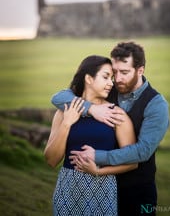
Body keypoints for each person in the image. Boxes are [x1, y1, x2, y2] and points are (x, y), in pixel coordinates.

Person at [51, 41, 170, 216]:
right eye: (114, 72)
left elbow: (142, 151)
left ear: (140, 70)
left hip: (137, 191)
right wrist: (91, 108)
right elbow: (59, 97)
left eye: (124, 72)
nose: (118, 78)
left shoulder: (157, 105)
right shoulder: (107, 89)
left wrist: (98, 158)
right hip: (102, 187)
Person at [44, 55, 137, 216]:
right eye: (106, 77)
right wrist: (67, 124)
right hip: (67, 191)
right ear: (88, 78)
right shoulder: (64, 111)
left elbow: (133, 162)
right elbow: (51, 160)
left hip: (103, 190)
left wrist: (98, 171)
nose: (111, 83)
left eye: (112, 78)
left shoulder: (116, 115)